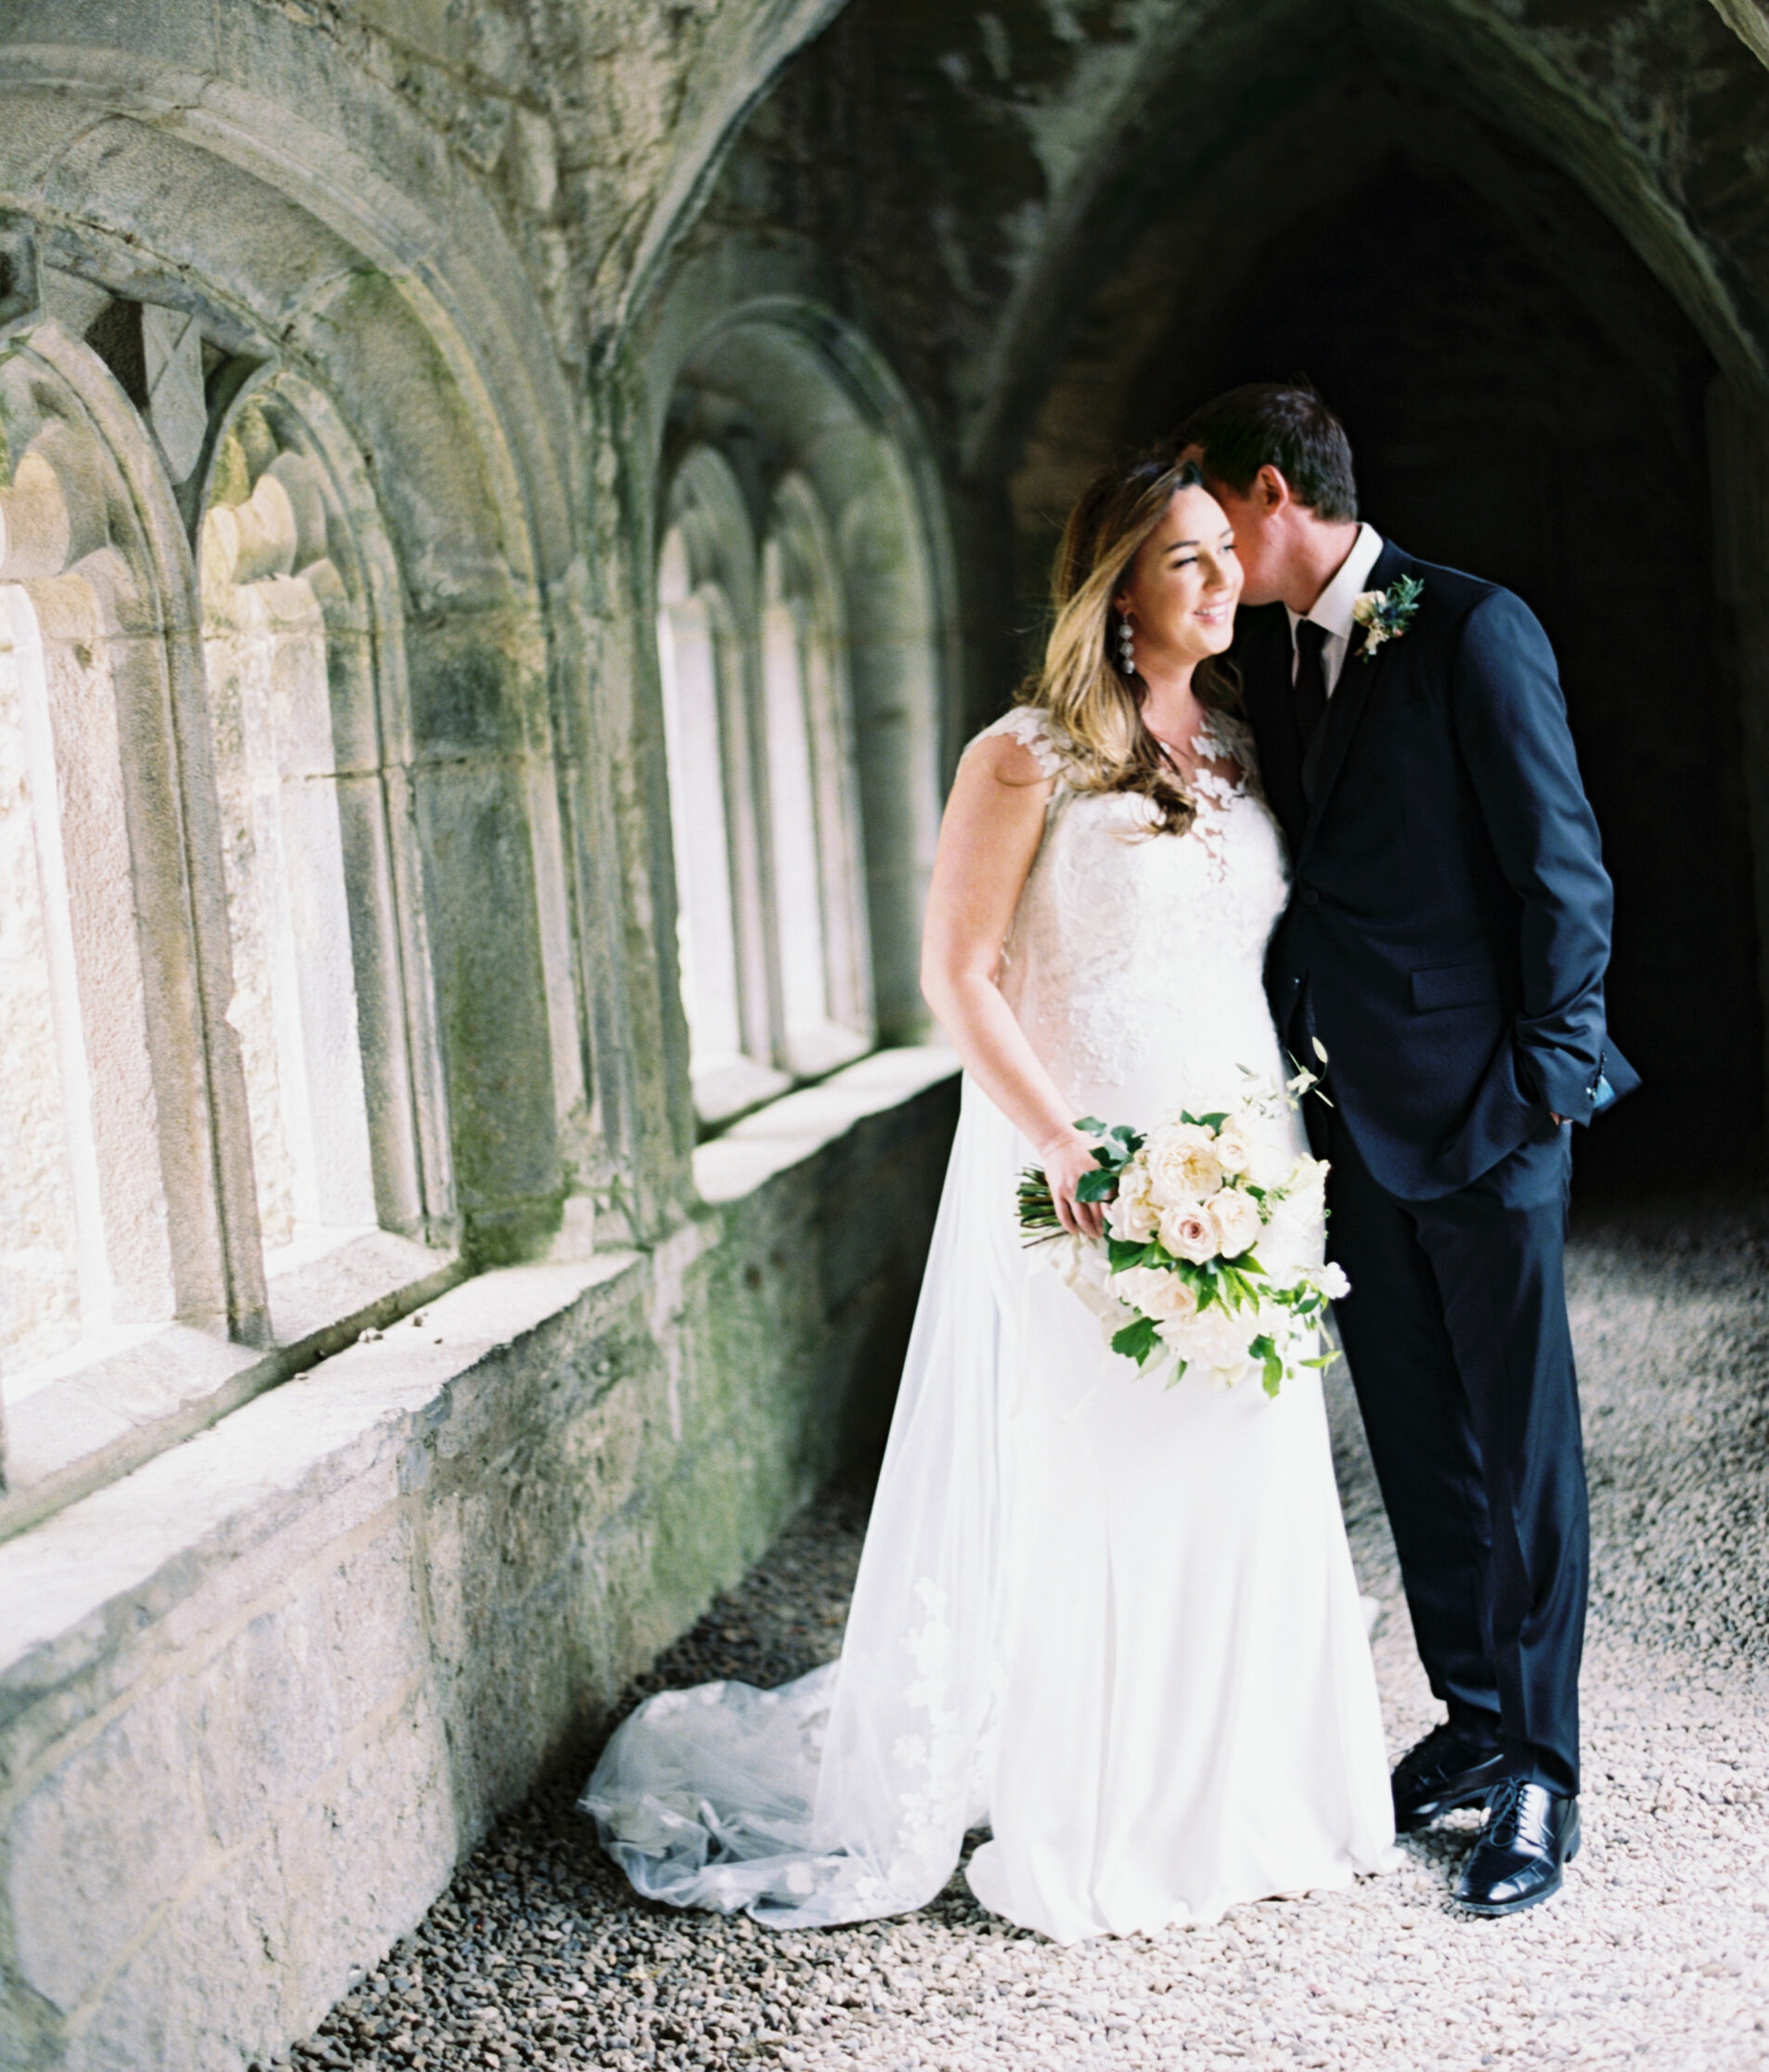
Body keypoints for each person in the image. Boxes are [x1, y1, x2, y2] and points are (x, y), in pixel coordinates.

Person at [580, 454, 1393, 1941]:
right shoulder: (1023, 752)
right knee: (1103, 1464)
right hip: (1089, 1158)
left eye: (1226, 553)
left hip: (1243, 1152)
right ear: (1116, 586)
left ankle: (1252, 1784)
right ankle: (1101, 1800)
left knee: (1242, 1448)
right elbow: (956, 973)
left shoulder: (1228, 741)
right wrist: (1071, 1144)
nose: (1222, 583)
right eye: (1187, 562)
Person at [1176, 382, 1635, 1918]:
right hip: (1341, 1119)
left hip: (1488, 1116)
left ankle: (1543, 1777)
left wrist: (1543, 1089)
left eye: (1212, 520)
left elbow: (1561, 872)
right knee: (1418, 1447)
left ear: (1268, 492)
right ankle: (1470, 1715)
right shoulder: (1272, 662)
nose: (1206, 555)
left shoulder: (1467, 626)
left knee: (1521, 1454)